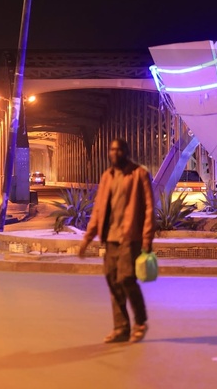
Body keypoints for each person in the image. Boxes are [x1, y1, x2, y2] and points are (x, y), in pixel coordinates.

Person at [80, 138, 155, 344]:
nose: (115, 153)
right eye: (112, 150)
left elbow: (149, 208)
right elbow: (99, 209)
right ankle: (121, 328)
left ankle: (140, 322)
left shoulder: (139, 174)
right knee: (113, 281)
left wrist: (147, 238)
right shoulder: (107, 176)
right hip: (110, 238)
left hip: (130, 238)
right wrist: (87, 238)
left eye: (119, 149)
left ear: (126, 151)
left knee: (126, 279)